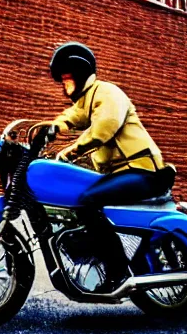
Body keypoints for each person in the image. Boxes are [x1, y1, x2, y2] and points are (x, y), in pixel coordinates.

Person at [50, 41, 176, 209]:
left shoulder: (107, 92)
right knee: (75, 192)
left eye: (68, 78)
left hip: (141, 170)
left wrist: (70, 152)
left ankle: (101, 237)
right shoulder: (87, 99)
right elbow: (75, 114)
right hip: (120, 172)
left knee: (88, 200)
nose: (65, 85)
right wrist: (53, 126)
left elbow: (103, 128)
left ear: (80, 74)